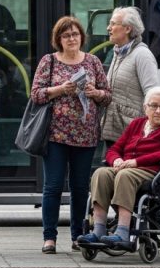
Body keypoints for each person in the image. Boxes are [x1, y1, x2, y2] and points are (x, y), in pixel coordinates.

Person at [30, 16, 111, 254]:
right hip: (55, 135)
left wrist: (94, 92)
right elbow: (35, 94)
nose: (72, 39)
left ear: (81, 37)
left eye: (75, 34)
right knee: (53, 187)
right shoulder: (49, 61)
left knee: (79, 188)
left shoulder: (93, 61)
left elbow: (107, 95)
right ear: (59, 40)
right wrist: (60, 89)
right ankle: (49, 238)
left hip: (86, 135)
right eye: (66, 35)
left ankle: (78, 236)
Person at [78, 87, 160, 247]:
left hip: (156, 172)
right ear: (145, 107)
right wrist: (116, 159)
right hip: (128, 168)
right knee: (101, 173)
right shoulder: (137, 124)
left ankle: (123, 232)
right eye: (153, 106)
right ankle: (98, 230)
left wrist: (137, 162)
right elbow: (115, 148)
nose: (158, 110)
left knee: (125, 175)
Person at [101, 7, 159, 146]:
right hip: (113, 132)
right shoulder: (117, 52)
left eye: (113, 24)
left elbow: (153, 95)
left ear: (127, 29)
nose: (109, 28)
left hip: (132, 136)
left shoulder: (142, 55)